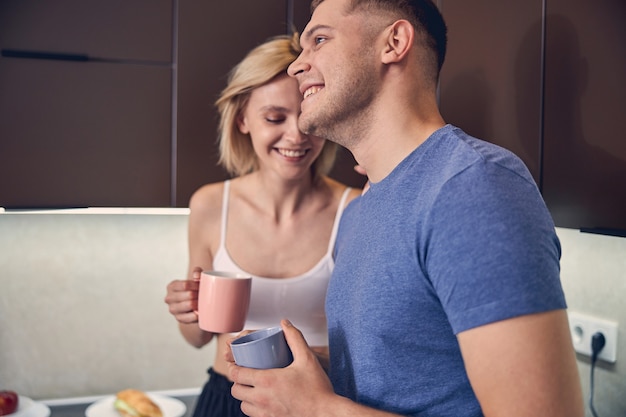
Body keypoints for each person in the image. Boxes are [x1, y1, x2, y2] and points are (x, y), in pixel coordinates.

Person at [226, 1, 585, 416]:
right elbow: (405, 374)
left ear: (394, 43)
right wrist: (308, 370)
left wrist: (316, 409)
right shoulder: (360, 212)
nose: (296, 66)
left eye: (319, 40)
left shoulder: (473, 186)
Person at [164, 32, 360, 417]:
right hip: (227, 399)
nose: (296, 135)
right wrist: (188, 310)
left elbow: (371, 343)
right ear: (241, 119)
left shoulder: (353, 209)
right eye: (275, 117)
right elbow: (198, 338)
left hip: (315, 404)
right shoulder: (209, 205)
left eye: (307, 116)